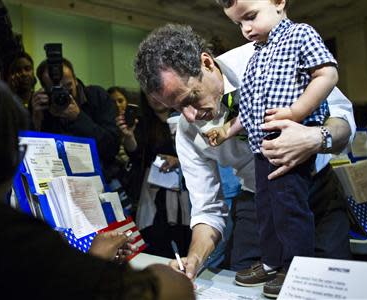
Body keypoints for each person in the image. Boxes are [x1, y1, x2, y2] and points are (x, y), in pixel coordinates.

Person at [134, 24, 355, 298]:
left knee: (326, 290)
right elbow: (207, 209)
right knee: (242, 289)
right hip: (255, 202)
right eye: (177, 108)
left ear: (206, 63)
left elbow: (343, 121)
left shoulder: (272, 53)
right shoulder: (188, 132)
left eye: (190, 98)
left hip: (315, 191)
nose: (189, 117)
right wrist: (194, 259)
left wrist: (315, 138)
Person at [0, 58, 194, 300]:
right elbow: (171, 291)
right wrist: (92, 265)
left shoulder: (96, 99)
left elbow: (110, 145)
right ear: (3, 157)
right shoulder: (10, 240)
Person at [206, 0, 339, 295]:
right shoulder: (256, 55)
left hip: (288, 143)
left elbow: (327, 74)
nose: (246, 29)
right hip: (261, 148)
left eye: (251, 17)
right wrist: (227, 130)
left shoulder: (300, 34)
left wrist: (296, 111)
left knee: (289, 207)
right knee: (265, 208)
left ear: (279, 2)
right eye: (239, 24)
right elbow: (250, 107)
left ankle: (295, 266)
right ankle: (270, 262)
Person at [116, 91, 192, 258]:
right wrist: (128, 135)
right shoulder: (143, 123)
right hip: (154, 192)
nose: (155, 98)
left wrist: (178, 160)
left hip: (186, 192)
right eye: (150, 93)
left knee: (185, 241)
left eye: (159, 92)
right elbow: (136, 153)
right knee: (157, 241)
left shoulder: (186, 118)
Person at [31, 58, 120, 181]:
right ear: (44, 89)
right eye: (56, 90)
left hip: (102, 176)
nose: (64, 95)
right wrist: (36, 120)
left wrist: (78, 118)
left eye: (68, 87)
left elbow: (111, 147)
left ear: (75, 80)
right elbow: (34, 158)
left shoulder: (97, 97)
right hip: (58, 179)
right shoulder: (42, 107)